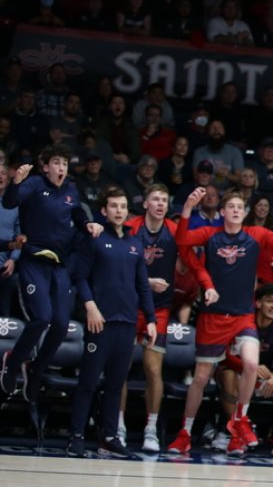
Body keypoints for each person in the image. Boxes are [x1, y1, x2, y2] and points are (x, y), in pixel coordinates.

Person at [165, 190, 273, 454]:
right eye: (230, 206)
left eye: (239, 207)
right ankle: (185, 432)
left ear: (245, 213)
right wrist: (187, 206)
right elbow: (183, 238)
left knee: (252, 363)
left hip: (242, 316)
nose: (234, 210)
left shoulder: (257, 234)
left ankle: (240, 420)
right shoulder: (210, 234)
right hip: (213, 316)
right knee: (200, 378)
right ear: (222, 212)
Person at [0, 143, 100, 400]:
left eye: (65, 164)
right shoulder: (34, 184)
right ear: (46, 167)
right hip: (34, 260)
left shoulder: (70, 190)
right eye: (56, 163)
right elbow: (10, 202)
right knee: (42, 318)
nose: (61, 168)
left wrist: (88, 224)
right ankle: (12, 364)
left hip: (59, 264)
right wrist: (16, 182)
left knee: (61, 325)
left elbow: (77, 213)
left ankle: (36, 370)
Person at [65, 187, 155, 459]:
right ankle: (76, 436)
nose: (119, 210)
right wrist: (90, 307)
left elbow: (142, 284)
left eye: (123, 206)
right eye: (113, 206)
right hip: (99, 322)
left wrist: (150, 318)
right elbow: (79, 277)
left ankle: (109, 436)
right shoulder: (94, 238)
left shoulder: (135, 242)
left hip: (127, 321)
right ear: (104, 211)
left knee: (117, 383)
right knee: (89, 381)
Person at [213, 283, 273, 458]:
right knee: (227, 374)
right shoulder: (244, 320)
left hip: (262, 379)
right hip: (239, 374)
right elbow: (223, 354)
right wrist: (247, 366)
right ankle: (236, 434)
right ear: (258, 303)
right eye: (269, 301)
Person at [123, 183, 180, 452]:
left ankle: (151, 429)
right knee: (119, 368)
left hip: (158, 308)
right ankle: (117, 426)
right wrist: (146, 282)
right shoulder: (131, 228)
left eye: (164, 200)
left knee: (153, 368)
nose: (160, 204)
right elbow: (118, 268)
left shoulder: (174, 231)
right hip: (127, 304)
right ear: (145, 204)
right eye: (155, 199)